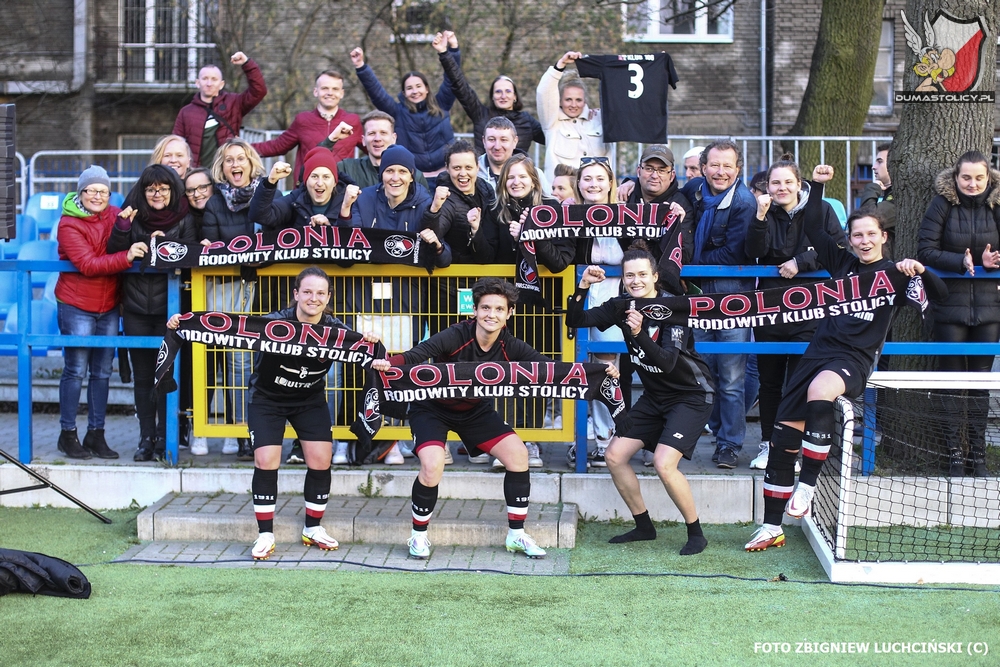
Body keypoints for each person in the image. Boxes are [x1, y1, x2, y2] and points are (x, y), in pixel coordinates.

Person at [745, 167, 948, 552]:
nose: (865, 240)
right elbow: (817, 225)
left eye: (872, 234)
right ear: (851, 240)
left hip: (853, 360)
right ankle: (771, 527)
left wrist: (922, 269)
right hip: (816, 354)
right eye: (858, 235)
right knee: (783, 440)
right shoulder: (843, 266)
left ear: (884, 238)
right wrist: (818, 186)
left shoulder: (894, 274)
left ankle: (807, 485)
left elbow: (939, 296)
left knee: (822, 391)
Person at [371, 278, 617, 559]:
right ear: (474, 310)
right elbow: (417, 355)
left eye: (499, 309)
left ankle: (516, 535)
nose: (492, 314)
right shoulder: (455, 335)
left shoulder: (509, 344)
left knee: (518, 455)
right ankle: (418, 536)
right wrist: (388, 362)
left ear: (509, 314)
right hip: (432, 409)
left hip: (475, 412)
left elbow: (551, 369)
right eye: (485, 308)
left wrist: (599, 371)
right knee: (432, 466)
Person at [169, 267, 378, 560]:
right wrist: (185, 323)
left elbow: (366, 349)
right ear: (295, 294)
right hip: (267, 400)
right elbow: (228, 328)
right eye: (307, 292)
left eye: (320, 293)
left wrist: (369, 339)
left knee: (321, 459)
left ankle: (313, 528)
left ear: (328, 297)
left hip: (310, 400)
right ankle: (265, 534)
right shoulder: (272, 323)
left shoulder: (336, 330)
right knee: (267, 460)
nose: (313, 298)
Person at [568, 241, 713, 555]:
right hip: (655, 396)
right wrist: (582, 287)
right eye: (629, 275)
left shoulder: (674, 308)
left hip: (691, 396)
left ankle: (696, 533)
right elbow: (575, 321)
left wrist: (639, 335)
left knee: (663, 463)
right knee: (614, 456)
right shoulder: (622, 306)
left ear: (655, 276)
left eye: (642, 275)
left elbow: (667, 362)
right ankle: (644, 526)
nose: (635, 281)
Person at [344, 144, 448, 465]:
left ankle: (401, 439)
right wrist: (346, 210)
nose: (395, 177)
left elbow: (444, 257)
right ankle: (357, 437)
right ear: (382, 173)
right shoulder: (364, 198)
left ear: (412, 175)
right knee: (361, 368)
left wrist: (435, 242)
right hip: (364, 299)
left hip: (407, 301)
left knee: (401, 370)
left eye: (402, 171)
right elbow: (351, 245)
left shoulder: (424, 203)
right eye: (390, 170)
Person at [744, 156, 844, 471]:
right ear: (767, 187)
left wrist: (801, 262)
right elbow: (752, 252)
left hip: (810, 309)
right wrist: (759, 217)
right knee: (770, 383)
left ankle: (792, 448)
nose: (782, 188)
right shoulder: (761, 211)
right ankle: (768, 445)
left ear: (799, 185)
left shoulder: (822, 209)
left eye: (788, 182)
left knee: (799, 381)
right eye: (776, 183)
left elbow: (837, 249)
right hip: (770, 308)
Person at [54, 166, 148, 460]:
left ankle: (97, 434)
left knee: (102, 372)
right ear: (81, 193)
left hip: (108, 306)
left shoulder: (115, 214)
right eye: (92, 190)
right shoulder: (68, 223)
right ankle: (67, 434)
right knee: (76, 370)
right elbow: (89, 265)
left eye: (103, 191)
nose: (98, 196)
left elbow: (133, 233)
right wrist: (127, 256)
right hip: (76, 304)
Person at [918, 150, 1000, 478]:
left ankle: (977, 456)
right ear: (956, 177)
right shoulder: (942, 204)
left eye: (979, 178)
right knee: (951, 382)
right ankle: (953, 453)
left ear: (988, 178)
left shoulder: (996, 205)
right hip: (948, 305)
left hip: (989, 308)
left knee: (979, 385)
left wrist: (992, 263)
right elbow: (925, 250)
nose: (972, 183)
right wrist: (959, 263)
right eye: (966, 177)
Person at [108, 164, 199, 461]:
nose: (157, 193)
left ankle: (164, 437)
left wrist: (167, 246)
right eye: (150, 189)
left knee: (165, 374)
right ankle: (145, 438)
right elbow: (114, 251)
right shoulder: (131, 214)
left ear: (172, 190)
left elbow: (191, 254)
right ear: (142, 191)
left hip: (169, 310)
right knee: (143, 377)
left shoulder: (184, 216)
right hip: (134, 308)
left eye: (163, 188)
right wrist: (126, 232)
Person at [493, 154, 576, 469]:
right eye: (510, 177)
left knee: (532, 372)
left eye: (522, 177)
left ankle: (530, 440)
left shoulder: (553, 210)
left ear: (534, 181)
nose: (516, 182)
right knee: (501, 372)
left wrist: (531, 235)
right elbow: (489, 256)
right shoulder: (496, 212)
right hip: (505, 308)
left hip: (541, 307)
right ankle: (505, 442)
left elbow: (560, 261)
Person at [682, 140, 757, 469]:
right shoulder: (694, 190)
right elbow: (668, 197)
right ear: (703, 166)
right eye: (714, 165)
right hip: (697, 295)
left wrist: (690, 259)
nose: (721, 172)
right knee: (702, 369)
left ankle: (729, 444)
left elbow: (733, 254)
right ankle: (704, 429)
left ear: (738, 169)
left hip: (732, 297)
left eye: (728, 166)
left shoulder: (744, 202)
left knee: (730, 376)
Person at [199, 138, 266, 460]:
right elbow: (211, 247)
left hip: (269, 291)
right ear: (221, 167)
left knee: (267, 364)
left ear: (252, 163)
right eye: (229, 160)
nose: (235, 164)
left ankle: (271, 430)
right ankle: (243, 432)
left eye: (241, 158)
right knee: (237, 364)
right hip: (230, 288)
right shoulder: (214, 203)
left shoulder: (269, 194)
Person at [350, 41, 460, 175]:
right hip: (416, 179)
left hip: (446, 175)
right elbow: (377, 93)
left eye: (418, 86)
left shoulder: (442, 104)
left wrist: (452, 50)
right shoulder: (397, 113)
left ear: (426, 88)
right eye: (409, 88)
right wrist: (361, 66)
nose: (414, 91)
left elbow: (452, 78)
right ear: (404, 93)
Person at [433, 31, 544, 155]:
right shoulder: (481, 115)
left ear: (515, 96)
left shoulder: (526, 121)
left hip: (514, 173)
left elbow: (553, 136)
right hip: (485, 174)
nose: (503, 96)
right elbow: (459, 83)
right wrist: (445, 52)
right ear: (492, 96)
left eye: (508, 91)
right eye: (498, 92)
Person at [251, 70, 363, 182]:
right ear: (315, 91)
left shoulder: (352, 121)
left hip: (343, 188)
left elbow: (373, 148)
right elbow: (277, 146)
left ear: (342, 93)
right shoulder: (303, 120)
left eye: (335, 89)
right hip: (307, 189)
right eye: (324, 88)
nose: (330, 93)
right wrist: (243, 148)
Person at [172, 52, 267, 168]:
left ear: (221, 84)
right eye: (205, 79)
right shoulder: (186, 112)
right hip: (197, 175)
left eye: (214, 79)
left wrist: (247, 64)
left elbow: (259, 91)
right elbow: (176, 145)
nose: (209, 83)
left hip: (227, 172)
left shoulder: (234, 103)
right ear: (197, 83)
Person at [536, 51, 609, 183]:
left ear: (585, 101)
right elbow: (544, 93)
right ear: (559, 101)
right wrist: (561, 64)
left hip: (595, 194)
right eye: (568, 99)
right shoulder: (552, 122)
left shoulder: (599, 119)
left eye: (578, 100)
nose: (573, 105)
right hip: (561, 195)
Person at [333, 110, 428, 190]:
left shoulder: (413, 175)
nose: (377, 138)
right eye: (372, 133)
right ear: (363, 140)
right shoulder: (346, 168)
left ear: (393, 138)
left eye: (383, 133)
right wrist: (331, 140)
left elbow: (425, 208)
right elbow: (320, 164)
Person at [476, 116, 549, 195]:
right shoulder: (472, 174)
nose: (497, 147)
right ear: (484, 141)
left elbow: (550, 205)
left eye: (504, 140)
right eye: (491, 139)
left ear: (515, 141)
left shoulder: (535, 175)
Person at [860, 142, 896, 259]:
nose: (873, 166)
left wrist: (873, 188)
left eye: (880, 161)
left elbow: (869, 218)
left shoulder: (898, 195)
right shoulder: (890, 192)